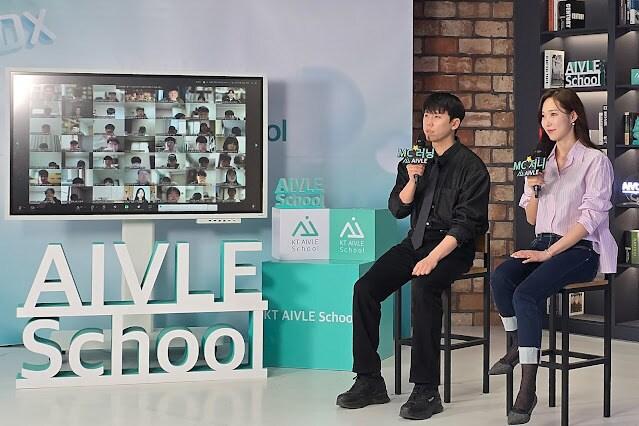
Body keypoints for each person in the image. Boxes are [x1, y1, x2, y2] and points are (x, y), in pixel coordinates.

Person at [335, 93, 490, 420]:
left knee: (423, 287)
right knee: (364, 289)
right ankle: (369, 379)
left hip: (451, 248)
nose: (429, 123)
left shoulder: (471, 167)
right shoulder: (415, 159)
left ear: (454, 123)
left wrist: (433, 258)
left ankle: (426, 388)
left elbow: (466, 225)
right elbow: (397, 208)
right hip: (415, 242)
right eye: (426, 116)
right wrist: (413, 178)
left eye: (437, 117)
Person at [489, 88, 617, 425]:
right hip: (543, 241)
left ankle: (527, 388)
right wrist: (533, 188)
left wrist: (548, 254)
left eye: (554, 114)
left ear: (573, 116)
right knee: (501, 278)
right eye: (543, 116)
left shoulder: (595, 161)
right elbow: (532, 218)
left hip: (580, 249)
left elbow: (589, 220)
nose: (547, 122)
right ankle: (517, 343)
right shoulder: (540, 163)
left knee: (526, 294)